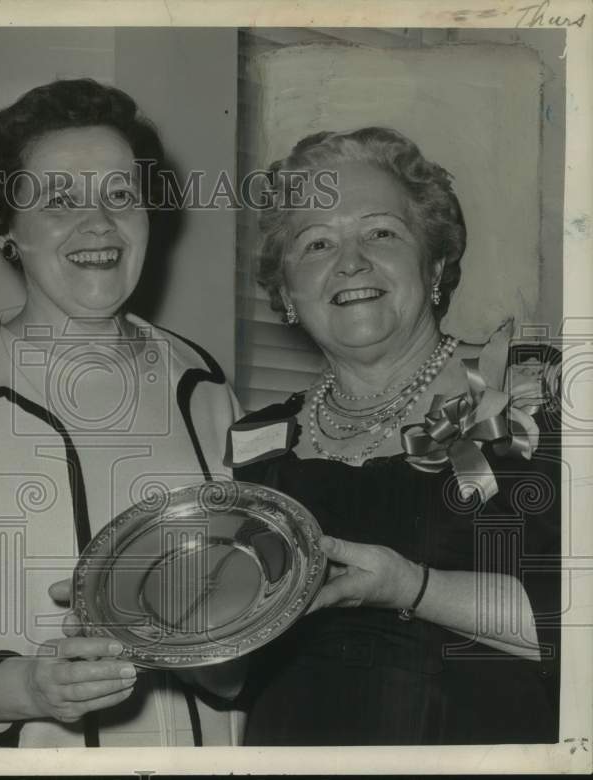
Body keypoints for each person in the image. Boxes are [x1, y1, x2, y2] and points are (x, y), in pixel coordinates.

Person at [0, 78, 244, 747]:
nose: (100, 225)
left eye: (122, 195)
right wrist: (23, 684)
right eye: (59, 200)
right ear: (5, 228)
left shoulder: (208, 392)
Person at [229, 127, 560, 744]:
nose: (350, 261)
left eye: (380, 232)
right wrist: (148, 620)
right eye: (317, 244)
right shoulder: (260, 442)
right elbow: (235, 673)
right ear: (285, 294)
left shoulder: (522, 396)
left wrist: (414, 587)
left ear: (434, 263)